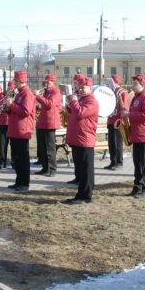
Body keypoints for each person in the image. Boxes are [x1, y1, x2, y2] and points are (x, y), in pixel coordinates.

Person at [64, 75, 99, 204]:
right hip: (77, 138)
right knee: (81, 169)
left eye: (84, 87)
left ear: (90, 88)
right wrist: (69, 103)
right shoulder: (81, 99)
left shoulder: (92, 101)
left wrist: (74, 101)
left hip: (85, 139)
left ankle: (86, 196)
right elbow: (73, 111)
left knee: (86, 169)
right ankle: (80, 194)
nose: (80, 89)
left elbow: (80, 114)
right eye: (80, 87)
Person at [123, 74, 145, 199]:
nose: (133, 85)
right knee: (137, 163)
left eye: (136, 83)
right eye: (133, 83)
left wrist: (130, 114)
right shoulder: (136, 97)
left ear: (142, 85)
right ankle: (137, 187)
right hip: (137, 135)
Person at [5, 70, 36, 192]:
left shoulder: (27, 94)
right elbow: (15, 110)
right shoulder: (18, 94)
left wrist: (12, 105)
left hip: (22, 130)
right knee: (16, 158)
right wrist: (8, 107)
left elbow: (25, 111)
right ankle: (18, 181)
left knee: (22, 159)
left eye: (17, 81)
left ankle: (24, 182)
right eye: (15, 81)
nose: (15, 83)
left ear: (23, 81)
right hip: (15, 129)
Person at [34, 74, 62, 177]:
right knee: (42, 146)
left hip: (50, 122)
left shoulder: (56, 92)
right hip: (43, 121)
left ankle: (52, 168)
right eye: (45, 82)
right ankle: (45, 167)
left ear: (53, 82)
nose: (45, 84)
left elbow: (50, 104)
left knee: (50, 147)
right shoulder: (46, 92)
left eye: (48, 82)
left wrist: (38, 96)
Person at [104, 75, 126, 171]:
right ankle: (113, 161)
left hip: (118, 121)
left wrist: (121, 121)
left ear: (116, 82)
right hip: (111, 120)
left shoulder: (122, 92)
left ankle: (119, 162)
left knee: (117, 144)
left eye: (111, 82)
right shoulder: (110, 91)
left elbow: (124, 107)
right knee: (111, 143)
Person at [0, 81, 14, 169]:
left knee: (13, 144)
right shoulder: (1, 95)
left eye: (12, 89)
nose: (10, 90)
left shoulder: (16, 95)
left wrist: (11, 102)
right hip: (2, 121)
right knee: (2, 143)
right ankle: (2, 162)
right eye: (9, 88)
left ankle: (14, 162)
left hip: (12, 122)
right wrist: (4, 102)